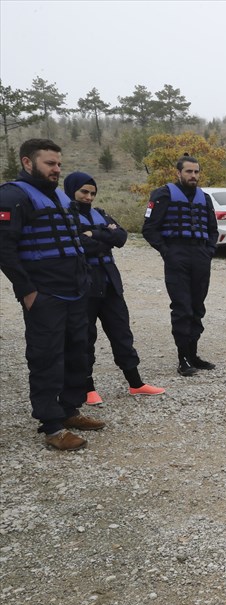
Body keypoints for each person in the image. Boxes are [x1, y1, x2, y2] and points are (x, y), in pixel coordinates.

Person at [0, 139, 105, 450]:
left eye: (59, 164)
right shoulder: (13, 196)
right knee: (47, 357)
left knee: (78, 351)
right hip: (44, 294)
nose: (57, 169)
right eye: (50, 164)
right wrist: (27, 291)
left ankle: (69, 409)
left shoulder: (59, 196)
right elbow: (4, 249)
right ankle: (52, 425)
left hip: (75, 290)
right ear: (28, 163)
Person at [64, 172, 164, 405]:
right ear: (72, 191)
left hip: (110, 285)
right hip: (85, 287)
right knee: (84, 339)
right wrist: (104, 235)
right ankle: (87, 388)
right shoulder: (66, 216)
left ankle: (136, 383)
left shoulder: (100, 214)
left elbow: (121, 237)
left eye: (92, 193)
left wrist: (96, 233)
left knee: (122, 335)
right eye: (84, 192)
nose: (88, 197)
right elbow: (79, 243)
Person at [142, 153, 219, 376]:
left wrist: (209, 250)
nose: (193, 175)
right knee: (182, 308)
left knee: (197, 307)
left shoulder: (204, 198)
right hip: (177, 255)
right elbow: (149, 229)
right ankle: (183, 358)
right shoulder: (163, 194)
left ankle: (193, 354)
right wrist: (167, 252)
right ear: (178, 173)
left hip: (200, 255)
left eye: (196, 172)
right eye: (189, 171)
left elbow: (213, 229)